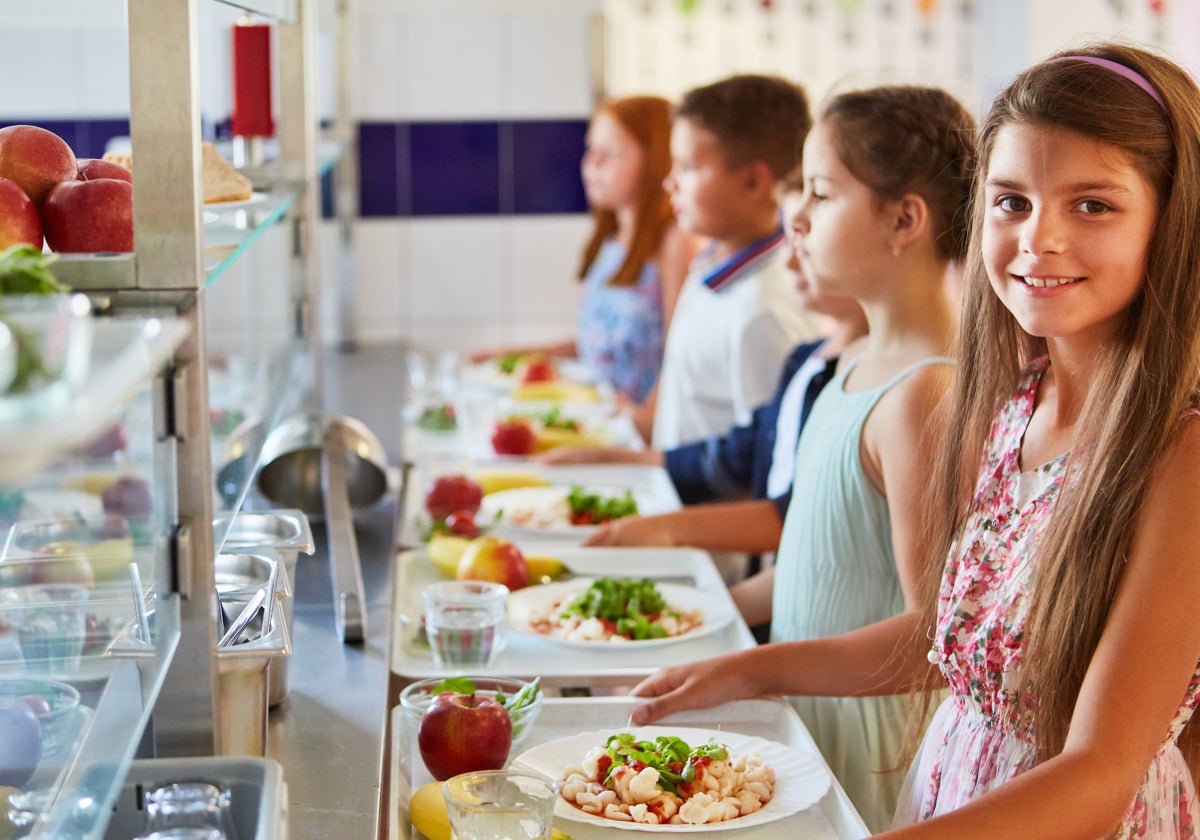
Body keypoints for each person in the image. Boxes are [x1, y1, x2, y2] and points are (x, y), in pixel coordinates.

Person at [630, 43, 1200, 839]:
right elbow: (940, 643)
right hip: (951, 798)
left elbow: (1101, 773)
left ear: (1171, 222)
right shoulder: (1013, 405)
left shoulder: (1180, 451)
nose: (1039, 239)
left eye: (1092, 205)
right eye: (1011, 202)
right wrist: (742, 666)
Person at [624, 83, 975, 832]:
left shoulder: (925, 393)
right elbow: (825, 563)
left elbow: (929, 641)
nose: (800, 222)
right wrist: (695, 628)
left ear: (904, 219)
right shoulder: (851, 369)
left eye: (821, 194)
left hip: (873, 746)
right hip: (811, 721)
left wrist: (754, 665)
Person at [540, 167, 869, 593]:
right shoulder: (808, 360)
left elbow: (784, 514)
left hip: (736, 566)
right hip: (753, 584)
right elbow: (740, 453)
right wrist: (618, 461)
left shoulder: (765, 315)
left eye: (822, 198)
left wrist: (670, 530)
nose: (789, 259)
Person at [471, 95, 698, 407]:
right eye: (592, 150)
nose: (592, 164)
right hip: (599, 416)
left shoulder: (675, 242)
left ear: (655, 158)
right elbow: (600, 347)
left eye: (610, 153)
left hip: (635, 435)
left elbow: (681, 359)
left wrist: (640, 426)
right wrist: (512, 357)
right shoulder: (612, 240)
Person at [649, 74, 825, 449]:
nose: (670, 182)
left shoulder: (763, 313)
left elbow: (761, 464)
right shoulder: (711, 265)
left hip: (707, 507)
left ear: (753, 181)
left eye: (688, 167)